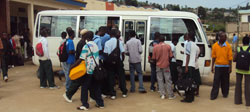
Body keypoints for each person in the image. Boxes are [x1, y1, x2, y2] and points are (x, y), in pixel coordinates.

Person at [71, 31, 104, 110]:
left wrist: (72, 66)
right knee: (96, 87)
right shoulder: (95, 45)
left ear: (86, 37)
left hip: (89, 70)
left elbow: (81, 59)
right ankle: (100, 103)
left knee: (85, 87)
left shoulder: (86, 46)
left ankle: (85, 104)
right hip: (95, 69)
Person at [63, 30, 89, 103]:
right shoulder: (82, 43)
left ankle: (94, 97)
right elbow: (81, 57)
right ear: (85, 35)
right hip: (81, 65)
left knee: (86, 81)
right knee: (78, 82)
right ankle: (68, 94)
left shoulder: (82, 43)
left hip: (82, 64)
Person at [104, 29, 128, 100]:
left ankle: (112, 94)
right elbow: (122, 52)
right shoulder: (119, 42)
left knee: (111, 77)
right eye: (119, 33)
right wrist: (121, 60)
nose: (119, 34)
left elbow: (105, 53)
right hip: (118, 62)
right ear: (115, 34)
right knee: (121, 77)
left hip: (110, 63)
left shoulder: (107, 42)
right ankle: (124, 92)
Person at [210, 31, 232, 100]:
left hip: (226, 66)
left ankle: (225, 93)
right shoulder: (215, 46)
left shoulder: (228, 46)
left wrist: (230, 67)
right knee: (216, 81)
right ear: (219, 37)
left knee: (225, 81)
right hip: (218, 66)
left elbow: (230, 58)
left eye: (225, 37)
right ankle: (213, 95)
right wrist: (212, 66)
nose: (225, 38)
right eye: (223, 36)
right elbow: (213, 57)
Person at [181, 32, 201, 103]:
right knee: (191, 82)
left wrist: (186, 66)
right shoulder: (196, 46)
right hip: (192, 66)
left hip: (188, 65)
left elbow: (188, 55)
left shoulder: (188, 44)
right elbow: (196, 57)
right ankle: (191, 97)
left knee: (187, 82)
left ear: (189, 36)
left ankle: (187, 98)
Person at [234, 37, 250, 107]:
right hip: (248, 70)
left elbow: (234, 59)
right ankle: (248, 102)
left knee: (238, 85)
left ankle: (237, 101)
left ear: (242, 42)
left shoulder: (238, 49)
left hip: (239, 69)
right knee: (248, 86)